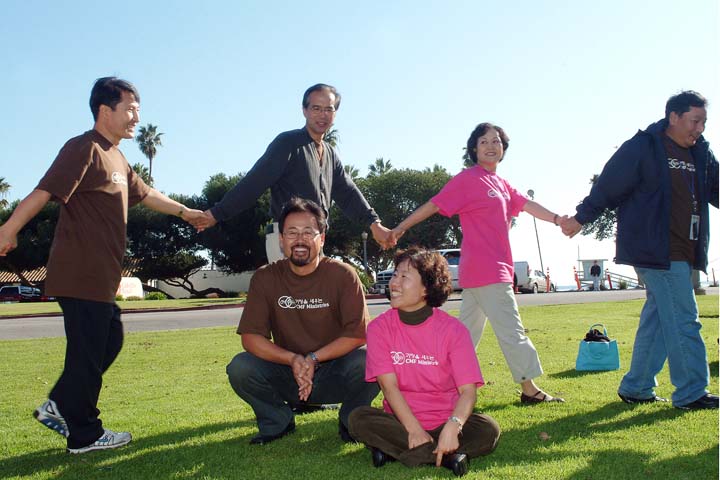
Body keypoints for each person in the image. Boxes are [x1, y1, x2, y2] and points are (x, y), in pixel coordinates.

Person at [0, 77, 205, 453]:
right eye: (130, 110)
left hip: (100, 277)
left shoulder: (117, 157)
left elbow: (147, 194)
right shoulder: (84, 148)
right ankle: (85, 433)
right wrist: (9, 228)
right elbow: (44, 191)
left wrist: (185, 211)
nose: (136, 118)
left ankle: (62, 405)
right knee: (90, 351)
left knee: (107, 341)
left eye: (138, 111)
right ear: (104, 110)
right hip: (79, 271)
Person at [561, 90, 719, 410]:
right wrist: (581, 217)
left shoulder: (701, 152)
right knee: (684, 318)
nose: (699, 128)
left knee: (659, 319)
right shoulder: (644, 146)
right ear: (673, 117)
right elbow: (609, 185)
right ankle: (691, 391)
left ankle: (637, 386)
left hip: (685, 247)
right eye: (694, 121)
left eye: (703, 122)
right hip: (654, 249)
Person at [389, 122, 565, 404]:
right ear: (474, 149)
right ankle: (529, 389)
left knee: (465, 337)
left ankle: (435, 386)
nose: (491, 146)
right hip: (487, 271)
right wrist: (401, 227)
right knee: (512, 331)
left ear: (503, 148)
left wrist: (558, 219)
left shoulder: (502, 184)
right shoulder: (468, 179)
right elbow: (434, 204)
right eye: (484, 142)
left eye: (496, 141)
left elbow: (528, 205)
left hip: (484, 272)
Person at [225, 197, 379, 445]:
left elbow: (358, 334)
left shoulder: (343, 275)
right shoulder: (265, 277)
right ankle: (278, 421)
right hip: (288, 374)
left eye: (308, 232)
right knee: (240, 367)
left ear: (322, 238)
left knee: (372, 359)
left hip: (335, 372)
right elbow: (251, 338)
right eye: (292, 232)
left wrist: (313, 358)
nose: (299, 239)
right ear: (281, 239)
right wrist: (294, 360)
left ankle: (352, 421)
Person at [189, 83, 392, 260]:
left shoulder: (330, 154)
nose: (322, 115)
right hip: (287, 238)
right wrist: (216, 213)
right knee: (290, 294)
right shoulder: (287, 143)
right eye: (316, 108)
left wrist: (374, 224)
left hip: (316, 239)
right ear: (304, 110)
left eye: (328, 109)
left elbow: (348, 193)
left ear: (335, 114)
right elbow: (253, 183)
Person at [349, 247, 500, 477]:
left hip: (445, 421)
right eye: (395, 275)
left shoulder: (454, 330)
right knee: (358, 419)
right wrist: (413, 429)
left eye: (404, 276)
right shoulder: (379, 328)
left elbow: (468, 392)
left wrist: (454, 425)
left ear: (426, 289)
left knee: (488, 429)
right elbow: (389, 388)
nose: (394, 283)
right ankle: (447, 456)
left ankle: (398, 452)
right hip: (401, 422)